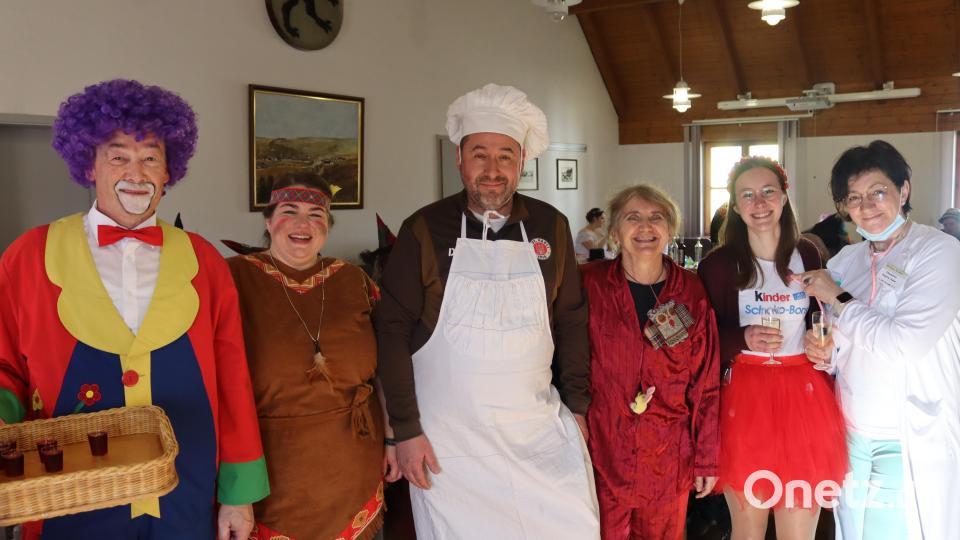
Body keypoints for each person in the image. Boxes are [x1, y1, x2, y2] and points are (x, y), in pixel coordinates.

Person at [0, 79, 269, 539]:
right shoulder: (29, 255)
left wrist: (238, 492)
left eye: (151, 158)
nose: (136, 173)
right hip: (70, 494)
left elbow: (232, 378)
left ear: (168, 171)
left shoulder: (204, 260)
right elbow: (4, 364)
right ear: (90, 165)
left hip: (189, 489)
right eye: (118, 156)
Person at [375, 83, 600, 539]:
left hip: (535, 430)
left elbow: (571, 322)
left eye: (505, 156)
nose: (492, 170)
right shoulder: (424, 228)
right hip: (448, 442)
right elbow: (391, 333)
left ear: (522, 161)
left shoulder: (551, 225)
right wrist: (405, 429)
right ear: (459, 159)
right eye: (480, 154)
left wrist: (577, 406)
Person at [800, 140, 960, 540]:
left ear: (903, 190)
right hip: (851, 432)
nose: (867, 206)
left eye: (878, 192)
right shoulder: (845, 261)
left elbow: (904, 344)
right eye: (854, 198)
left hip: (906, 435)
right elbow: (841, 344)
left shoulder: (939, 253)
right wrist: (824, 352)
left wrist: (838, 298)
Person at [227, 175, 400, 540]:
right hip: (270, 466)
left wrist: (391, 438)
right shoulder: (232, 278)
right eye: (289, 211)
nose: (303, 224)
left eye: (316, 215)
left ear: (328, 226)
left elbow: (386, 367)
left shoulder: (354, 280)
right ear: (269, 221)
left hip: (353, 463)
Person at [698, 157, 847, 540]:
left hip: (805, 399)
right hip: (744, 400)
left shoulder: (807, 253)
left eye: (768, 191)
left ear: (783, 197)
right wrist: (742, 338)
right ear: (735, 205)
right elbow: (702, 340)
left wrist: (821, 341)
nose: (759, 202)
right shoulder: (718, 265)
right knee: (747, 532)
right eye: (747, 195)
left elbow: (820, 315)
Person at [581, 185, 719, 539]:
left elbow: (705, 385)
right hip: (600, 455)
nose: (645, 227)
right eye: (633, 217)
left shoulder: (690, 292)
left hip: (667, 460)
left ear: (669, 231)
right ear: (614, 232)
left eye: (656, 217)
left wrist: (706, 458)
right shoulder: (588, 285)